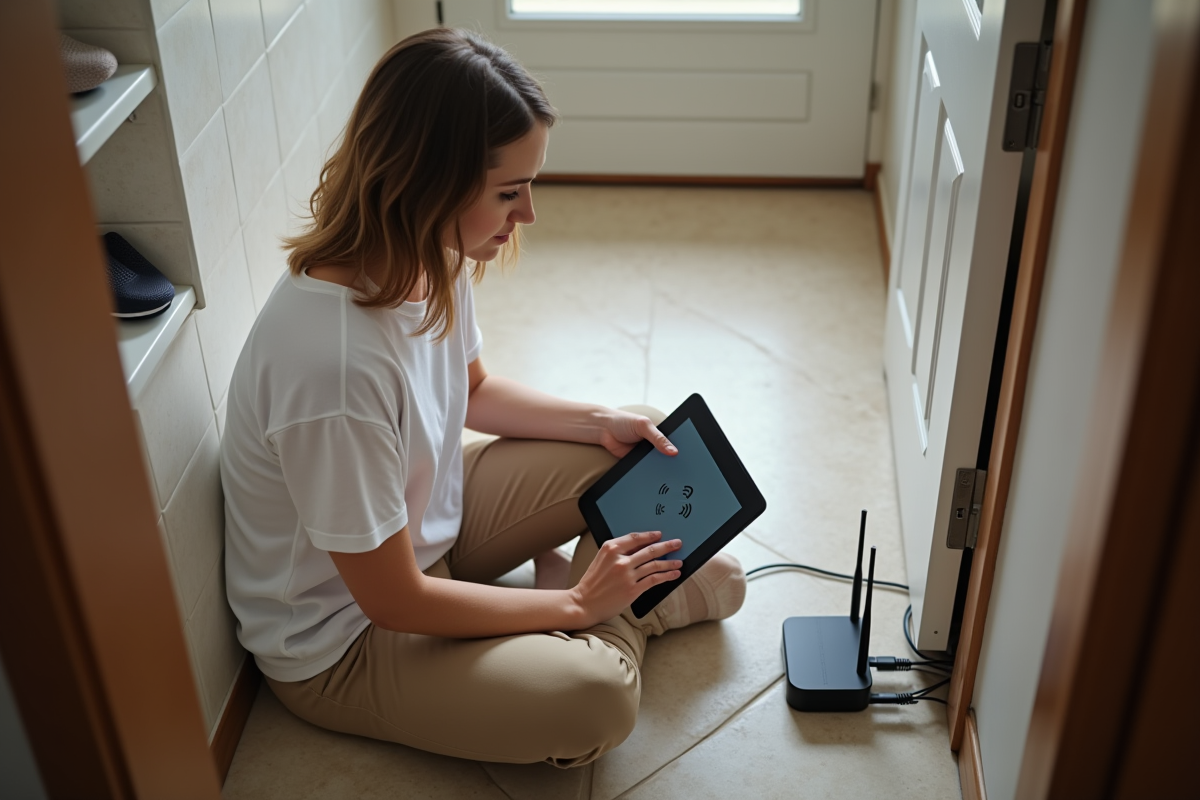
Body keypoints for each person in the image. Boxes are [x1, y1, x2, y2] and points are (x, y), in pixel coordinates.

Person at [220, 28, 746, 768]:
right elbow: (394, 601)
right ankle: (596, 616)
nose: (526, 214)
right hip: (347, 640)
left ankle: (594, 604)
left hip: (433, 524)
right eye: (509, 191)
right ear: (428, 180)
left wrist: (602, 422)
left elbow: (473, 391)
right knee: (593, 698)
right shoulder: (330, 368)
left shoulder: (430, 252)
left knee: (650, 443)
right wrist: (572, 606)